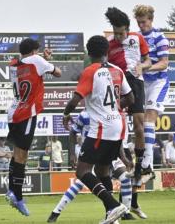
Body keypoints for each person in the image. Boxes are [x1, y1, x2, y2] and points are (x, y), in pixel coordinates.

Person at [62, 35, 134, 224]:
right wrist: (114, 107)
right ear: (106, 52)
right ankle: (112, 217)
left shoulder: (90, 71)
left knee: (82, 171)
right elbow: (131, 99)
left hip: (101, 129)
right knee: (103, 172)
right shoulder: (118, 70)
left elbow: (74, 101)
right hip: (118, 126)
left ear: (89, 52)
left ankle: (114, 206)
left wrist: (65, 114)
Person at [5, 38, 62, 216]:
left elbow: (32, 72)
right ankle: (18, 197)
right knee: (22, 156)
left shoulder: (14, 63)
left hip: (13, 111)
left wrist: (42, 59)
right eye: (37, 51)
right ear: (34, 51)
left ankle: (12, 191)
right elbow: (58, 72)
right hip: (27, 113)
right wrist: (46, 60)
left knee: (17, 154)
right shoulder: (37, 61)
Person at [48, 110, 135, 222]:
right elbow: (73, 132)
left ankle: (121, 213)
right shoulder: (85, 115)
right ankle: (56, 212)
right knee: (81, 180)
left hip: (107, 151)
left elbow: (117, 140)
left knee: (121, 177)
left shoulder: (112, 115)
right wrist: (72, 154)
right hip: (90, 153)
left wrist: (124, 159)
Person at [105, 7, 151, 184]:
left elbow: (148, 61)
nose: (118, 36)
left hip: (135, 82)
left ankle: (139, 167)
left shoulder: (137, 38)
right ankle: (117, 162)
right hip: (118, 85)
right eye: (115, 33)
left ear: (127, 29)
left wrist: (142, 67)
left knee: (139, 125)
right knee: (114, 124)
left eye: (121, 33)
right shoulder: (109, 43)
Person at [133, 5, 170, 180]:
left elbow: (164, 63)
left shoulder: (159, 37)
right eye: (139, 22)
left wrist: (146, 68)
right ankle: (144, 164)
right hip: (142, 82)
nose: (141, 25)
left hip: (158, 81)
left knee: (149, 117)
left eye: (144, 22)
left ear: (151, 20)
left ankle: (147, 161)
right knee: (139, 121)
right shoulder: (135, 38)